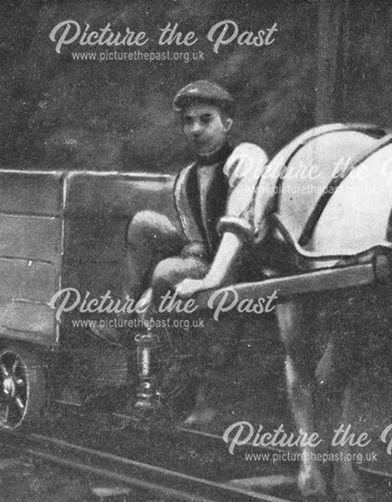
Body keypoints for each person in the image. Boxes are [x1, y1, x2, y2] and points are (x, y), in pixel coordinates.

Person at [93, 80, 267, 419]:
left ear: (226, 124)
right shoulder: (186, 178)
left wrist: (203, 280)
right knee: (144, 223)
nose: (196, 128)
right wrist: (150, 292)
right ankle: (127, 315)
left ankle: (175, 377)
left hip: (244, 265)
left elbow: (240, 232)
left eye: (206, 119)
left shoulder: (245, 159)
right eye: (189, 121)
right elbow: (196, 245)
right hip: (206, 262)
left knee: (166, 272)